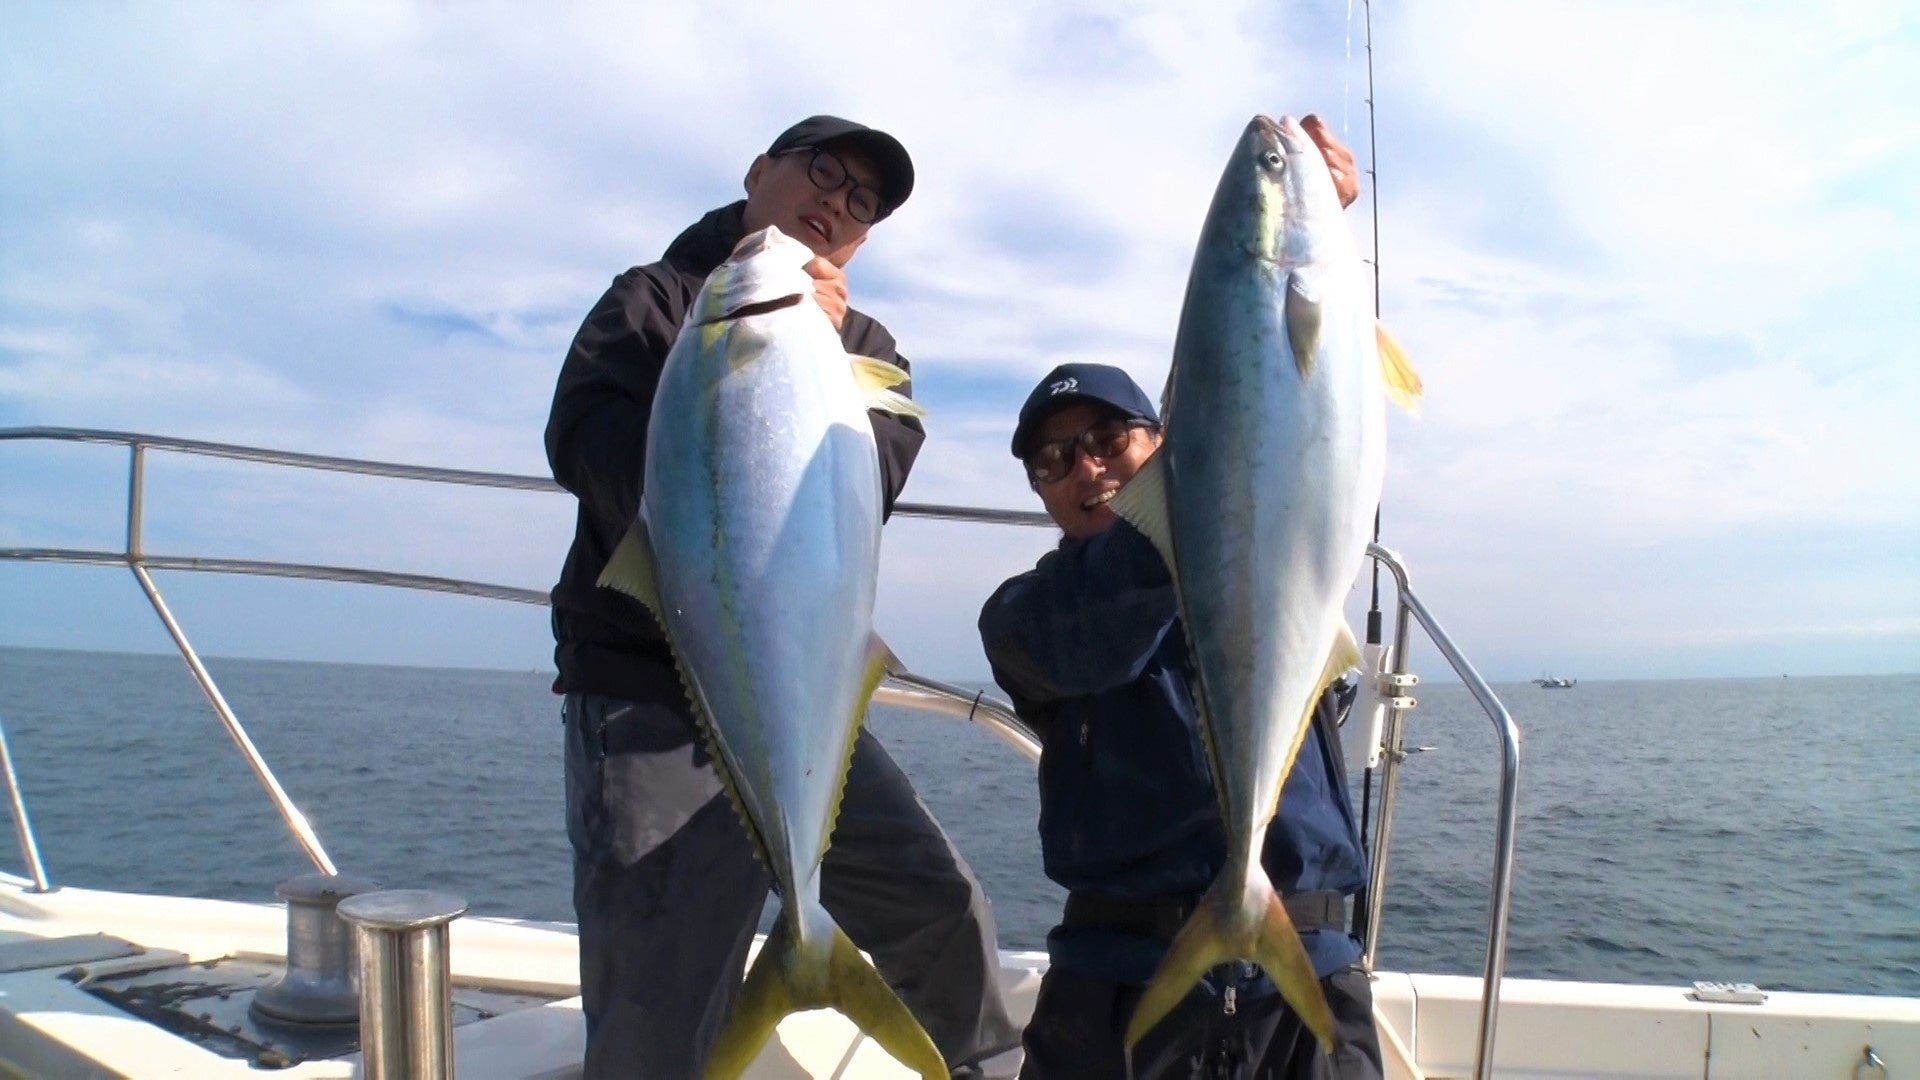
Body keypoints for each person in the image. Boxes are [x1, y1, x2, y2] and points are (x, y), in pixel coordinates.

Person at [546, 115, 1020, 1078]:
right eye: (825, 173)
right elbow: (580, 439)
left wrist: (821, 353)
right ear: (760, 171)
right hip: (646, 695)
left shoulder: (869, 345)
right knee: (660, 992)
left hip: (809, 702)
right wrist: (718, 392)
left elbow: (876, 475)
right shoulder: (656, 299)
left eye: (863, 203)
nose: (838, 205)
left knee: (942, 905)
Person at [977, 360, 1384, 1080]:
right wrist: (1202, 490)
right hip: (1117, 992)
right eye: (1053, 458)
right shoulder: (1027, 617)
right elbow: (1093, 622)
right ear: (1039, 489)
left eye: (1109, 437)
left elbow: (1321, 452)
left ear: (1161, 443)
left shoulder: (1284, 582)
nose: (1088, 467)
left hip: (1306, 976)